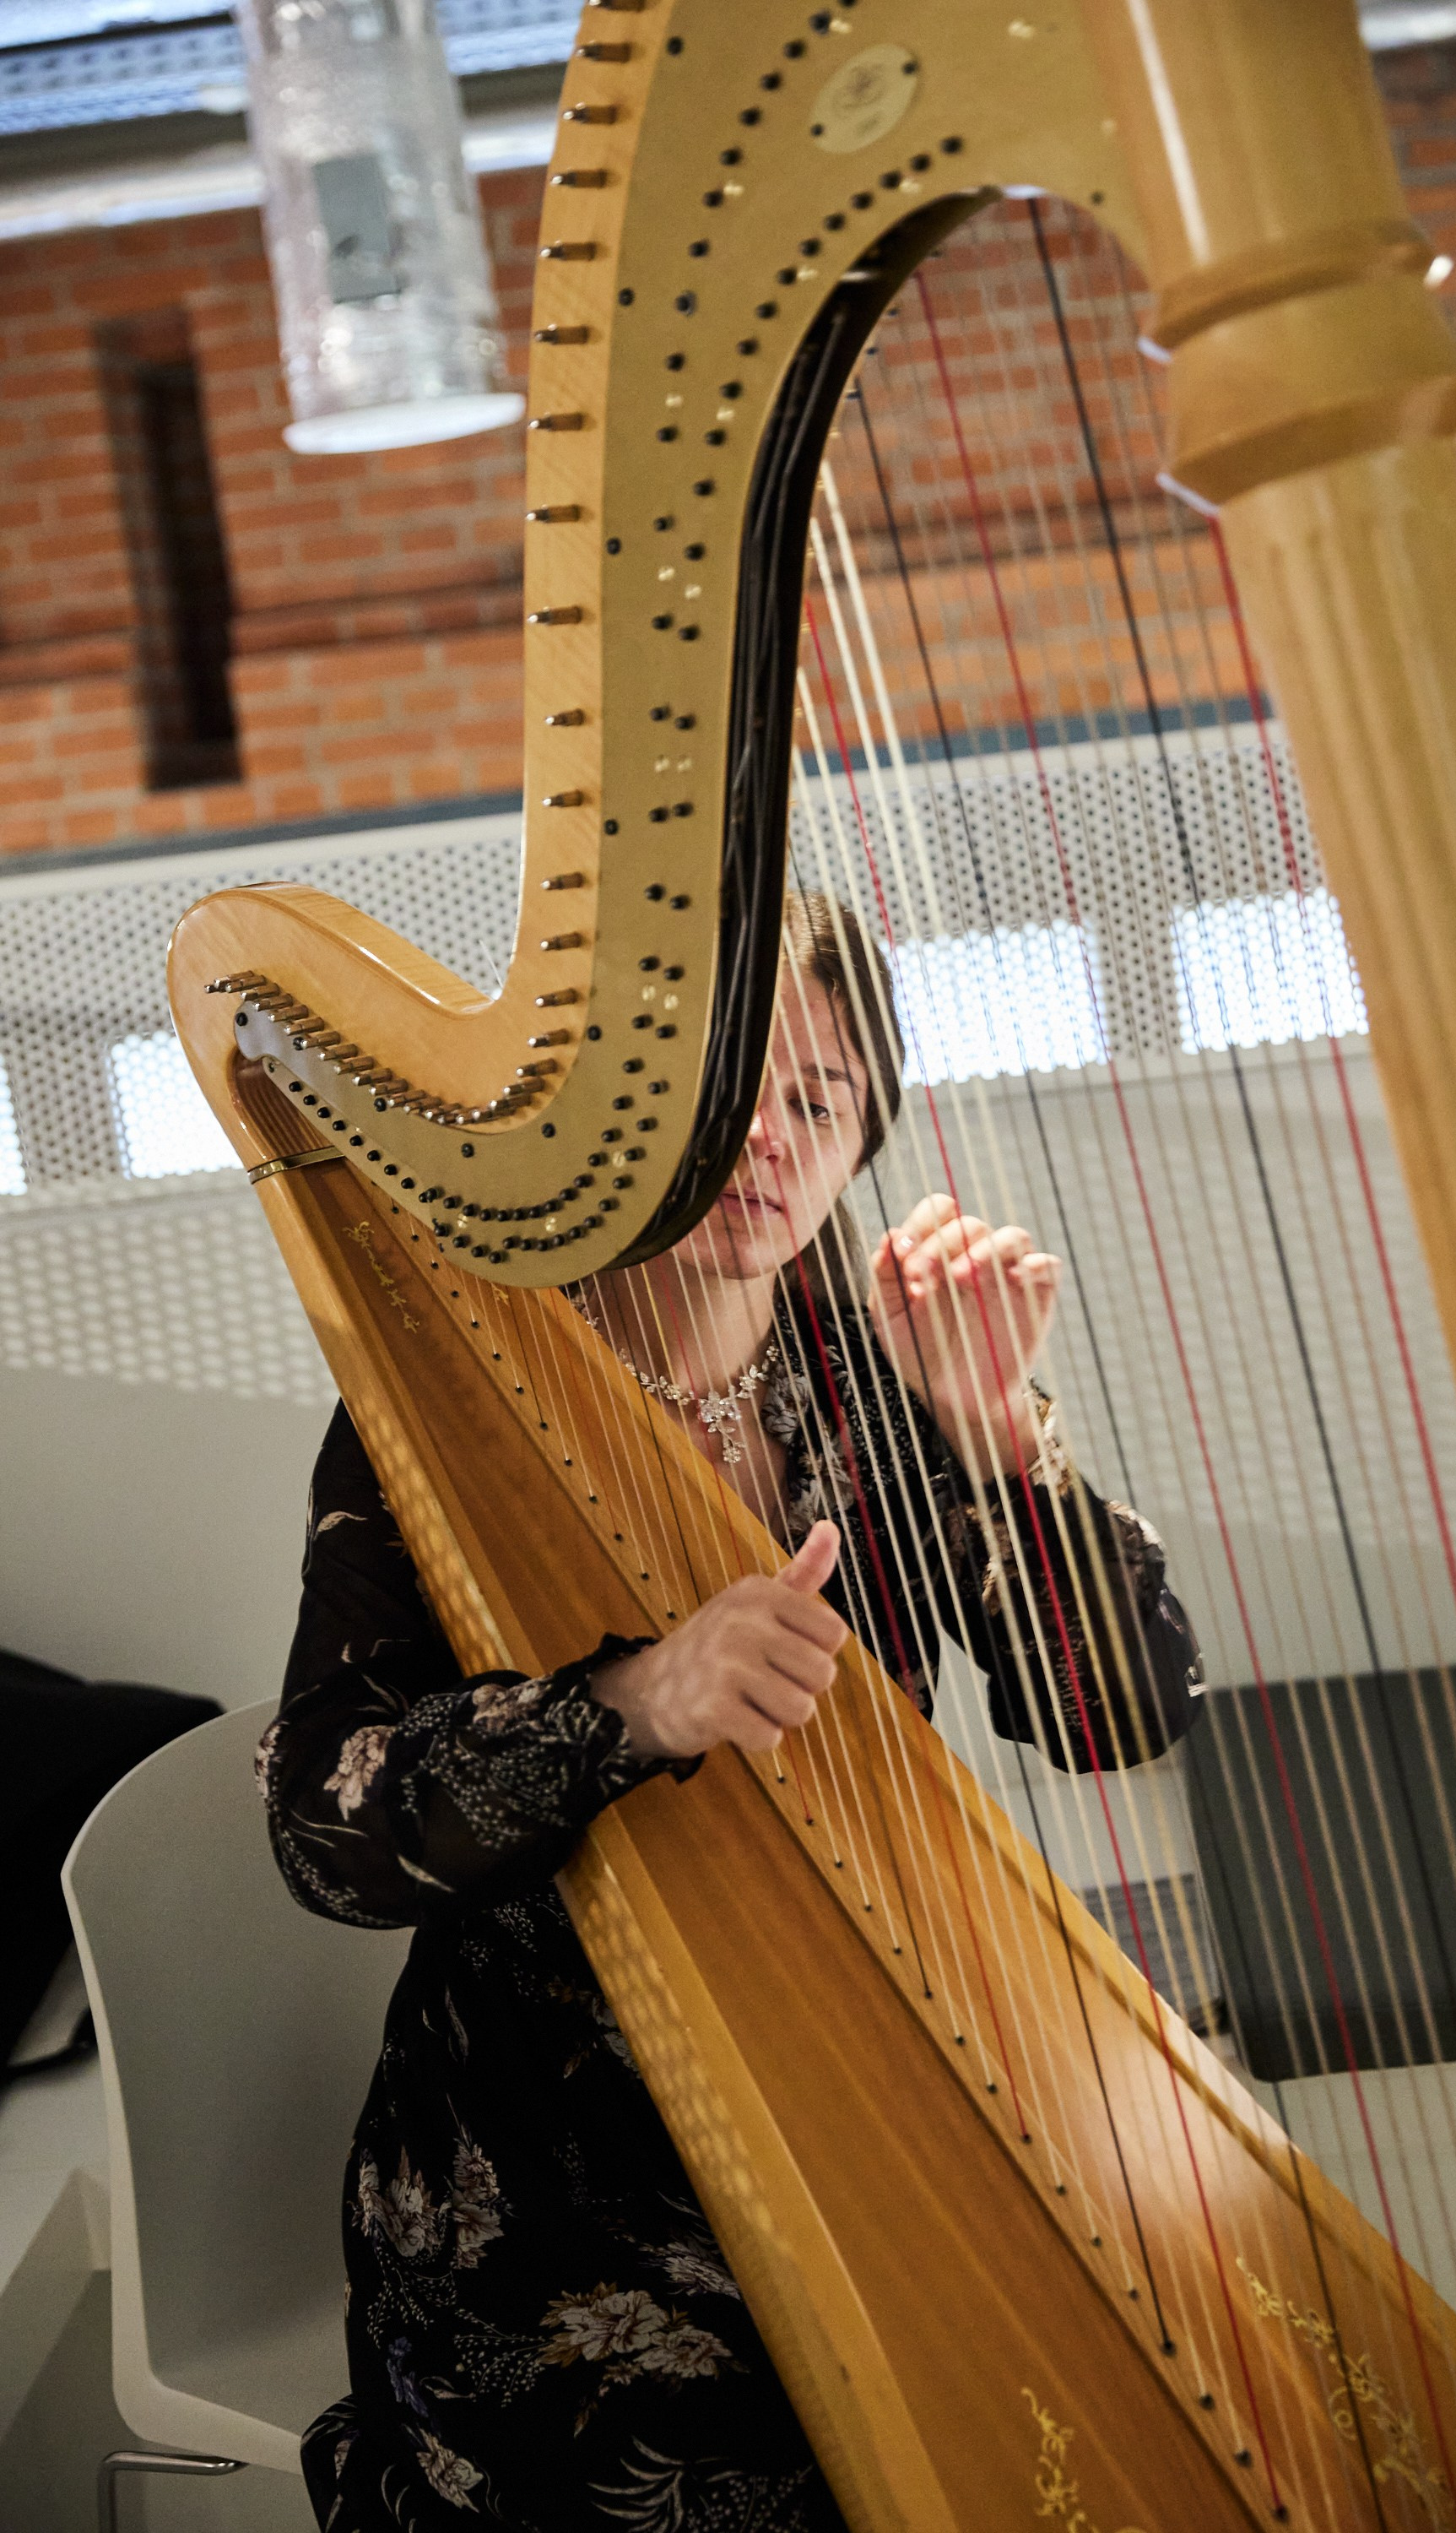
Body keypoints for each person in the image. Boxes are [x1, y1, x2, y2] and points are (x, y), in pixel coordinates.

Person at [263, 892, 1201, 2532]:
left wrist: (993, 1436)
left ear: (862, 1146)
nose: (776, 1137)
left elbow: (1119, 1711)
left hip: (877, 2062)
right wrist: (632, 1703)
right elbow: (325, 1833)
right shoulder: (443, 1405)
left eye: (823, 1100)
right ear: (616, 1114)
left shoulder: (883, 1378)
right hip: (550, 2164)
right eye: (727, 1087)